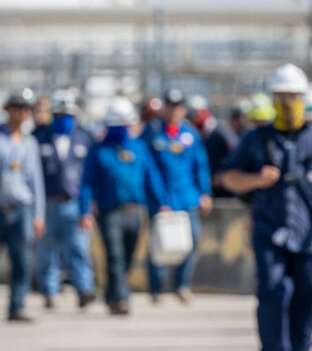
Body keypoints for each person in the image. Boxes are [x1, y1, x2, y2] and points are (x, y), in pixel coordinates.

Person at [221, 63, 312, 351]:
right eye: (281, 97)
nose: (288, 103)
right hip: (269, 232)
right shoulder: (255, 140)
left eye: (294, 97)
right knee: (273, 292)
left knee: (307, 296)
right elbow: (228, 178)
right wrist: (255, 180)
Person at [80, 96, 169, 315]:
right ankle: (122, 299)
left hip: (136, 212)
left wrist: (162, 203)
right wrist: (85, 211)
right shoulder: (98, 150)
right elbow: (87, 183)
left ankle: (112, 294)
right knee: (115, 256)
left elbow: (152, 178)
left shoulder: (139, 148)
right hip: (109, 212)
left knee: (128, 257)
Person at [145, 88, 212, 304]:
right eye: (171, 106)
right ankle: (157, 288)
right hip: (162, 199)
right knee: (160, 245)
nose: (174, 111)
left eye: (178, 106)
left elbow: (200, 165)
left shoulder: (190, 135)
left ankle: (182, 285)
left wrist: (205, 193)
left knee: (190, 242)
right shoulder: (153, 133)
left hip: (188, 199)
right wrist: (158, 199)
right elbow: (148, 169)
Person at [34, 88, 96, 309]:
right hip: (48, 203)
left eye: (67, 114)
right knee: (46, 249)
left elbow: (90, 175)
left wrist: (88, 207)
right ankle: (49, 291)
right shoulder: (39, 137)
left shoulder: (84, 137)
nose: (63, 118)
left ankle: (84, 289)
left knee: (79, 248)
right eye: (59, 114)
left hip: (75, 202)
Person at [0, 89, 45, 322]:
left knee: (21, 260)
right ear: (7, 109)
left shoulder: (30, 142)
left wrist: (39, 214)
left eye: (25, 108)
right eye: (17, 107)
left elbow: (36, 181)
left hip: (22, 208)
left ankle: (17, 306)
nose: (22, 112)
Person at [188, 94, 236, 198]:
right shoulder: (197, 133)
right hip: (208, 187)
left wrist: (222, 175)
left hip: (224, 187)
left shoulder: (220, 131)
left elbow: (235, 155)